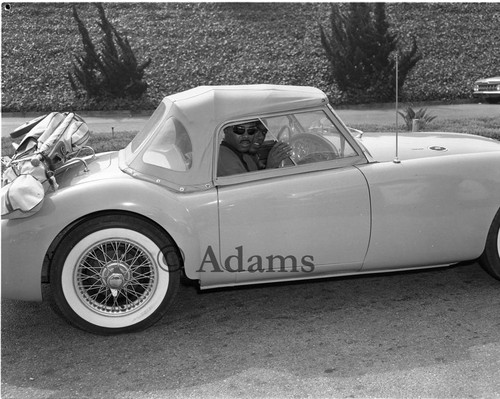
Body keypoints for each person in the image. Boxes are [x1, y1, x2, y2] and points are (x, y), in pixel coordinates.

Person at [218, 121, 292, 176]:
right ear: (226, 130)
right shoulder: (224, 157)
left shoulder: (244, 155)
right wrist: (270, 167)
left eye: (251, 131)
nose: (246, 136)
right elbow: (248, 193)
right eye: (239, 130)